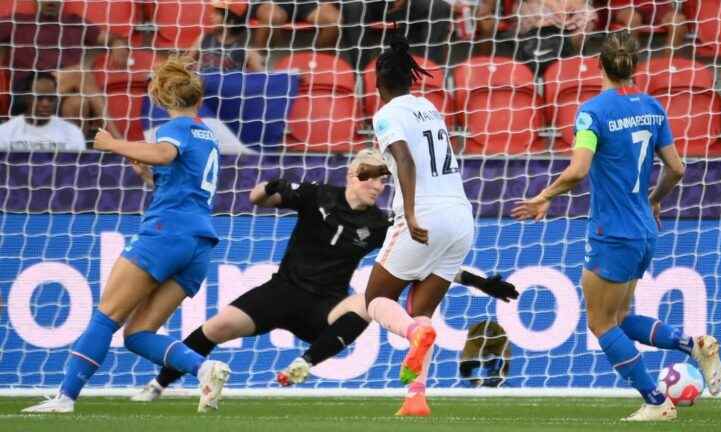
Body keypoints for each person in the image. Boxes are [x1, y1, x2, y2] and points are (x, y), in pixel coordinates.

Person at [130, 149, 518, 401]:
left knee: (369, 303)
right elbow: (256, 198)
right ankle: (158, 385)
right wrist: (270, 187)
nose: (379, 185)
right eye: (373, 176)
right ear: (354, 174)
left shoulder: (382, 223)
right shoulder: (317, 195)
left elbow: (431, 264)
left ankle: (305, 363)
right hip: (282, 291)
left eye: (385, 180)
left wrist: (485, 284)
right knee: (216, 328)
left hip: (325, 307)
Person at [512, 30, 721, 421]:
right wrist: (655, 199)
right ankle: (694, 344)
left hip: (612, 231)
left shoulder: (594, 112)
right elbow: (677, 167)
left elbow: (578, 169)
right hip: (644, 229)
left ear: (599, 65)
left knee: (600, 322)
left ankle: (657, 402)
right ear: (635, 66)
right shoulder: (653, 107)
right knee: (621, 317)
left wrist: (544, 197)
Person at [21, 56, 229, 414]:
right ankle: (203, 367)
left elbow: (164, 153)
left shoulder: (175, 130)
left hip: (165, 234)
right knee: (137, 335)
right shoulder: (207, 135)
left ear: (163, 99)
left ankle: (65, 397)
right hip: (198, 244)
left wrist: (112, 143)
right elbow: (178, 177)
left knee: (106, 315)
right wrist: (148, 177)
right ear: (197, 97)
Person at [362, 34, 475, 417]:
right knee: (422, 306)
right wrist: (379, 167)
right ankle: (416, 397)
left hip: (425, 213)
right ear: (411, 81)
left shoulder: (385, 114)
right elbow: (424, 156)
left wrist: (409, 214)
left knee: (375, 298)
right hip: (460, 216)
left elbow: (408, 161)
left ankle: (413, 334)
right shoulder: (428, 106)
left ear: (378, 85)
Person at [0, 0, 121, 136]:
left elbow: (109, 39)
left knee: (78, 103)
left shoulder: (75, 22)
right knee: (80, 73)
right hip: (27, 93)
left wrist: (118, 44)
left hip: (63, 92)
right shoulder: (18, 21)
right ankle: (117, 140)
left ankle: (72, 154)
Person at [0, 71, 86, 151]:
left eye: (51, 98)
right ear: (26, 98)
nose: (46, 104)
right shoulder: (5, 132)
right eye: (39, 98)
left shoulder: (72, 133)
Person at [189, 0, 265, 72]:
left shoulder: (247, 51)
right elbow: (184, 65)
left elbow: (265, 78)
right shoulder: (203, 38)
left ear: (230, 22)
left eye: (217, 14)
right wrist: (194, 68)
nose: (211, 16)